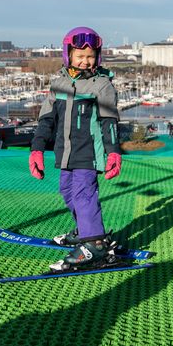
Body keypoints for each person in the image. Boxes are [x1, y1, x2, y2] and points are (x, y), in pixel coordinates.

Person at [29, 26, 123, 271]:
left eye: (90, 56)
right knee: (67, 191)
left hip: (89, 151)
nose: (85, 61)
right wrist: (37, 149)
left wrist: (114, 152)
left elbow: (109, 121)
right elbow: (46, 120)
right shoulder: (58, 83)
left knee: (83, 193)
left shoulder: (101, 85)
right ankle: (85, 229)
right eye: (80, 56)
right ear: (68, 55)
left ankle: (95, 244)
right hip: (65, 152)